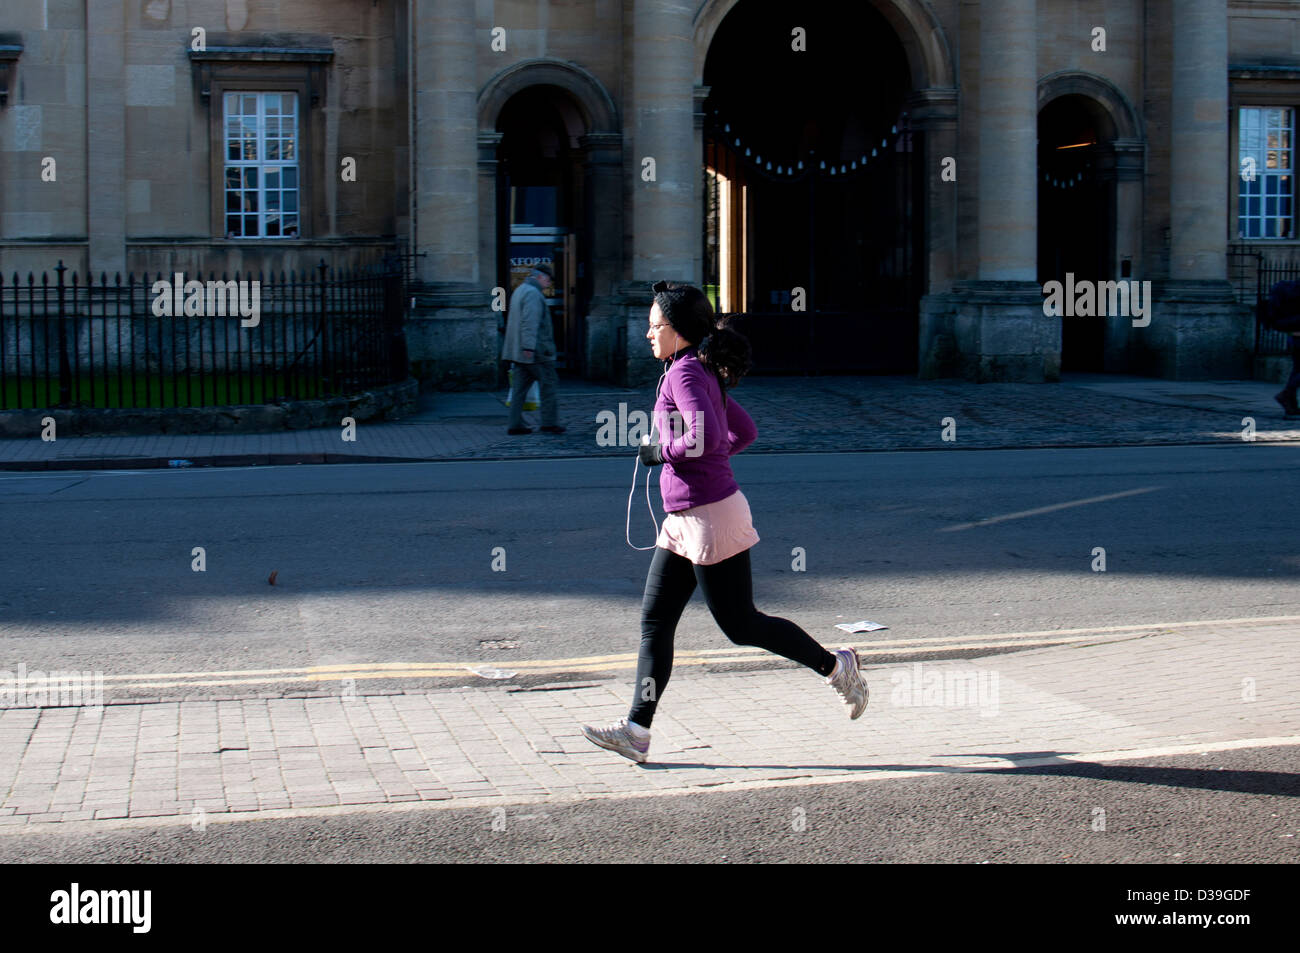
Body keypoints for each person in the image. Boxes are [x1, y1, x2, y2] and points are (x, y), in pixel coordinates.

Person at [580, 281, 869, 764]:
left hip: (710, 516)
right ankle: (636, 730)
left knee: (741, 625)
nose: (648, 334)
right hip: (686, 518)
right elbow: (743, 432)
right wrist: (702, 460)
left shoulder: (686, 375)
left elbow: (707, 436)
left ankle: (837, 666)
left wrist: (662, 453)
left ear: (677, 331)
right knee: (655, 622)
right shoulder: (691, 369)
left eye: (655, 327)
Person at [501, 263, 565, 434]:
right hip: (536, 352)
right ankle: (549, 422)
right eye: (548, 280)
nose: (549, 284)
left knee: (519, 390)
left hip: (520, 353)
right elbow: (530, 322)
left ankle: (514, 424)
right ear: (540, 277)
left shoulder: (521, 289)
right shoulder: (533, 294)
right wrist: (529, 346)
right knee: (549, 385)